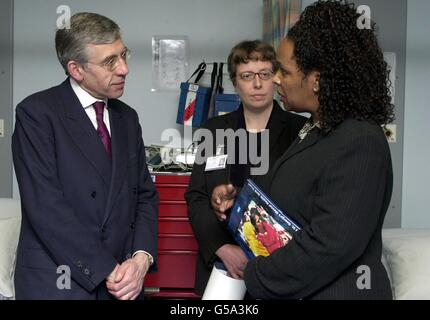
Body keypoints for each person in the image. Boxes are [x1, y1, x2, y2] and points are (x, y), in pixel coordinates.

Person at [211, 0, 395, 299]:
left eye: (283, 71)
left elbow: (329, 246)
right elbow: (295, 203)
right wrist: (241, 202)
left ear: (317, 80)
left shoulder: (360, 139)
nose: (276, 79)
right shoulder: (316, 129)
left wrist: (255, 272)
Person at [12, 12, 159, 300]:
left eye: (123, 55)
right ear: (76, 69)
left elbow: (144, 195)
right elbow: (45, 207)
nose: (124, 69)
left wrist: (141, 259)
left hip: (124, 282)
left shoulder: (127, 118)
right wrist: (107, 269)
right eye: (109, 62)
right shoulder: (37, 114)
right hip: (59, 281)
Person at [185, 40, 307, 295]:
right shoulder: (213, 130)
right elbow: (196, 196)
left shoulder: (301, 132)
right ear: (235, 81)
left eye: (265, 74)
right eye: (247, 76)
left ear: (276, 77)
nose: (257, 84)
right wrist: (221, 248)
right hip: (221, 265)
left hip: (278, 264)